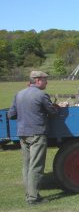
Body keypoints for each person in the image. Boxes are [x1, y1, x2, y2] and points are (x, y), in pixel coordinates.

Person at [8, 70, 59, 205]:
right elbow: (52, 112)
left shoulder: (19, 94)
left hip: (23, 134)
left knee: (27, 165)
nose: (46, 82)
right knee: (36, 166)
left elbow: (11, 115)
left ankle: (29, 194)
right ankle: (33, 198)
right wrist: (58, 107)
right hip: (37, 133)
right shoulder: (41, 95)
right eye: (45, 79)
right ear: (37, 80)